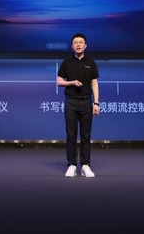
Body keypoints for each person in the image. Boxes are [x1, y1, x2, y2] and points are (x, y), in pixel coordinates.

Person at [57, 32, 100, 178]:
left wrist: (96, 103)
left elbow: (95, 83)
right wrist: (72, 82)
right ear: (72, 46)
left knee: (86, 136)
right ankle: (72, 165)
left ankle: (85, 165)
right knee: (71, 135)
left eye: (81, 42)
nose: (78, 44)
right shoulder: (66, 62)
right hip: (71, 102)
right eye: (75, 42)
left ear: (85, 45)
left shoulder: (91, 63)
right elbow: (59, 82)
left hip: (87, 102)